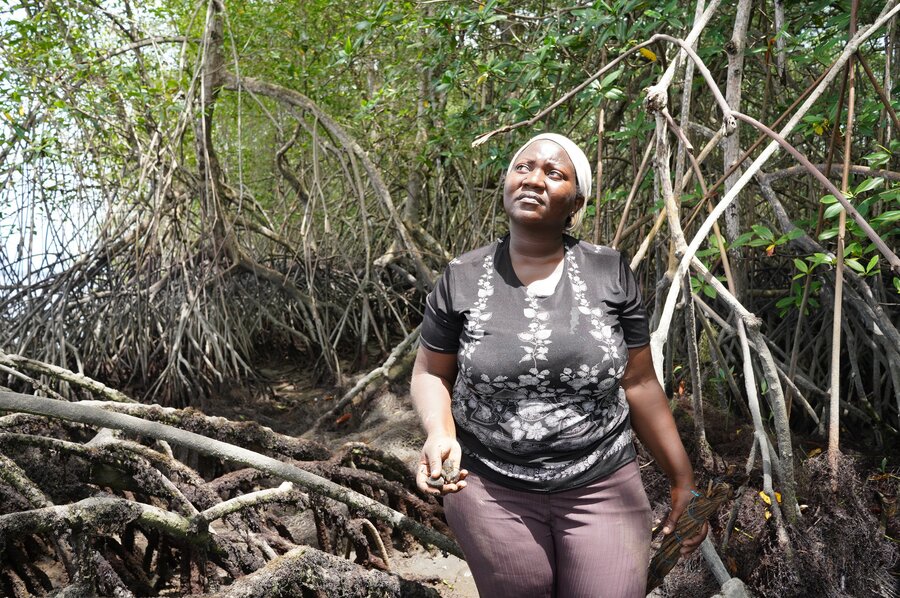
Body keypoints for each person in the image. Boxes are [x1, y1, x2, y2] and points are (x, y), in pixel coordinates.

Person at [410, 132, 706, 597]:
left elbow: (641, 381)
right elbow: (431, 372)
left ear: (577, 202)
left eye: (554, 173)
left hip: (602, 480)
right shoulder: (462, 276)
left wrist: (682, 481)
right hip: (489, 485)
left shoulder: (610, 271)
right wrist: (440, 432)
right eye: (523, 168)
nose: (534, 179)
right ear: (506, 183)